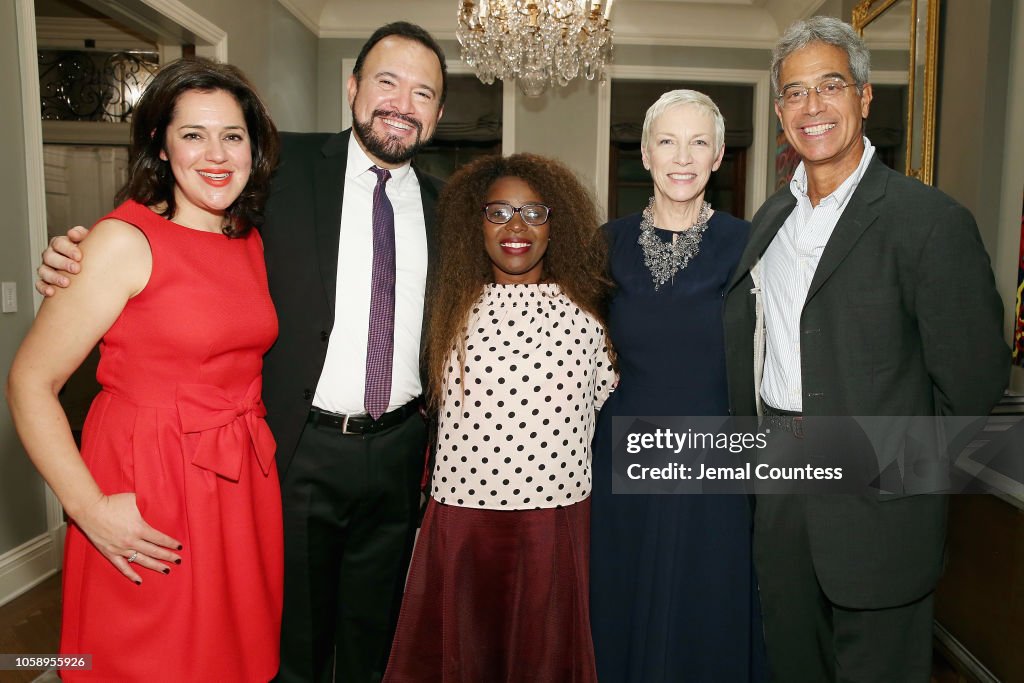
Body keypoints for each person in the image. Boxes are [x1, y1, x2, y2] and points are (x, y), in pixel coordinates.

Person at [35, 22, 448, 683]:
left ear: (438, 112)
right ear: (352, 88)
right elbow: (170, 226)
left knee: (376, 636)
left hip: (399, 452)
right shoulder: (274, 176)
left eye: (423, 92)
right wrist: (71, 257)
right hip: (296, 449)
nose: (402, 103)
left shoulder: (448, 203)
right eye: (387, 82)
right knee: (285, 644)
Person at [722, 16, 1009, 683]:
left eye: (830, 85)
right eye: (794, 92)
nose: (812, 106)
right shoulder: (770, 221)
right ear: (779, 109)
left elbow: (973, 384)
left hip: (882, 513)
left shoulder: (929, 222)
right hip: (782, 496)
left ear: (864, 96)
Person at [8, 57, 282, 681]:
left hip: (238, 482)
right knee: (144, 659)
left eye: (232, 136)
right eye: (193, 134)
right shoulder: (121, 241)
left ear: (253, 148)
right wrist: (89, 509)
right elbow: (29, 382)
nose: (215, 154)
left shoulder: (246, 238)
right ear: (160, 144)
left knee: (228, 660)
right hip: (152, 485)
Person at [382, 153, 615, 682]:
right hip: (463, 520)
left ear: (557, 226)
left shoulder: (591, 316)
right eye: (499, 212)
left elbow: (605, 400)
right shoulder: (443, 310)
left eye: (534, 213)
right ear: (476, 223)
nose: (516, 227)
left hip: (553, 519)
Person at [589, 89, 767, 682]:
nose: (682, 157)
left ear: (719, 156)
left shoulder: (750, 246)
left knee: (705, 610)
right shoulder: (602, 245)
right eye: (667, 141)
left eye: (699, 142)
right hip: (621, 458)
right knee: (623, 604)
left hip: (715, 459)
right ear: (644, 153)